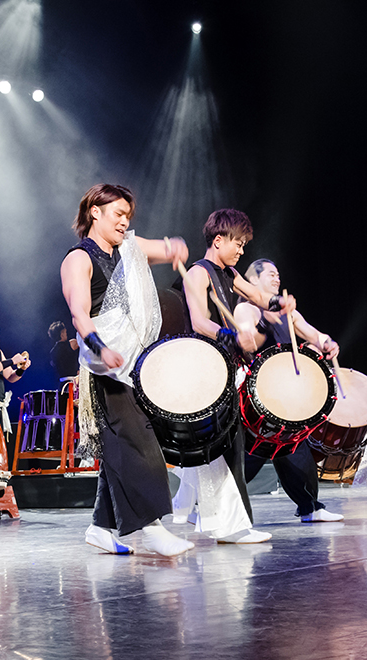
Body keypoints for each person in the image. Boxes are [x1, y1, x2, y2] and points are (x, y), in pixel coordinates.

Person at [60, 183, 193, 557]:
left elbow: (163, 248)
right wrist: (100, 347)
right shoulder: (78, 259)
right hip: (104, 367)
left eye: (128, 217)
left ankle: (101, 528)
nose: (124, 222)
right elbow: (80, 314)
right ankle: (152, 527)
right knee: (136, 441)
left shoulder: (128, 250)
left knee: (120, 446)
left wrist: (174, 248)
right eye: (118, 214)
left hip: (134, 364)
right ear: (95, 213)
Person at [176, 208, 295, 544]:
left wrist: (277, 302)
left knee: (225, 445)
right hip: (205, 365)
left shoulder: (228, 273)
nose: (242, 250)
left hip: (224, 366)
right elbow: (200, 322)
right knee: (224, 446)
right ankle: (229, 526)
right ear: (218, 240)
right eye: (238, 243)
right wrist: (232, 337)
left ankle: (200, 511)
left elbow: (257, 296)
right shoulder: (198, 274)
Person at [233, 258, 343, 522]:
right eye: (270, 274)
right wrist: (264, 323)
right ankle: (215, 506)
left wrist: (327, 343)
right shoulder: (247, 309)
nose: (276, 278)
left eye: (278, 274)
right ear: (253, 280)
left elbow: (313, 334)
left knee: (292, 443)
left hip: (285, 392)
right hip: (257, 394)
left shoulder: (288, 313)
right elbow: (246, 342)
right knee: (255, 450)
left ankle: (309, 507)